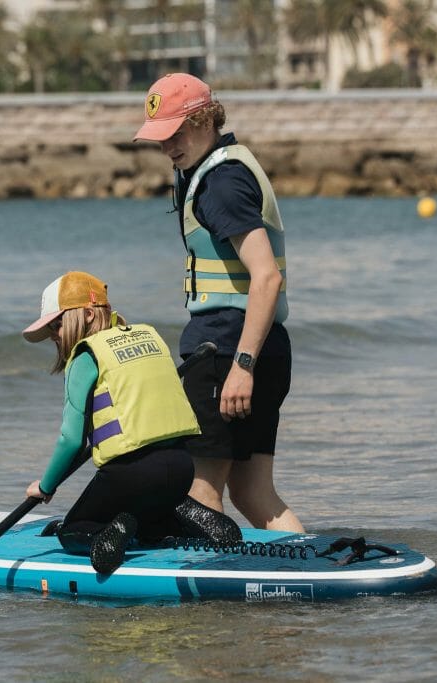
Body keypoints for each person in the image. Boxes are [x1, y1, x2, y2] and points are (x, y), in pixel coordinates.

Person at [133, 73, 305, 533]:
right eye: (160, 137)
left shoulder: (221, 185)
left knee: (199, 494)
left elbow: (266, 276)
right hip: (264, 345)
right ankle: (304, 567)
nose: (167, 146)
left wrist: (242, 366)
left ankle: (217, 583)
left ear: (206, 120)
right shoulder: (223, 168)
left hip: (227, 352)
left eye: (176, 133)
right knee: (253, 492)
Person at [22, 271, 238, 574]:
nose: (54, 335)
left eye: (57, 324)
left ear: (87, 315)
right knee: (148, 525)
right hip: (180, 467)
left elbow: (71, 440)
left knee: (72, 530)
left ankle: (115, 529)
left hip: (131, 474)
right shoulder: (147, 336)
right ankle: (180, 514)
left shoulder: (86, 356)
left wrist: (45, 486)